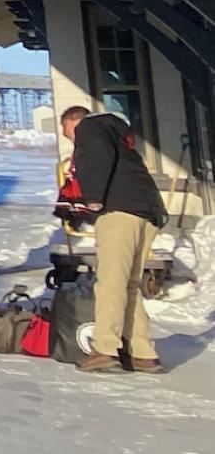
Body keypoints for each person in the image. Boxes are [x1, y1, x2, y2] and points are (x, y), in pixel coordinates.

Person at [61, 104, 168, 374]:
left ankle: (104, 348)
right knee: (129, 284)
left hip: (119, 212)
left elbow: (97, 156)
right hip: (146, 212)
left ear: (74, 122)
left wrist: (93, 199)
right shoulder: (118, 138)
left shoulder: (91, 127)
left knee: (110, 282)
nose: (71, 141)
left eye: (68, 134)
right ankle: (143, 353)